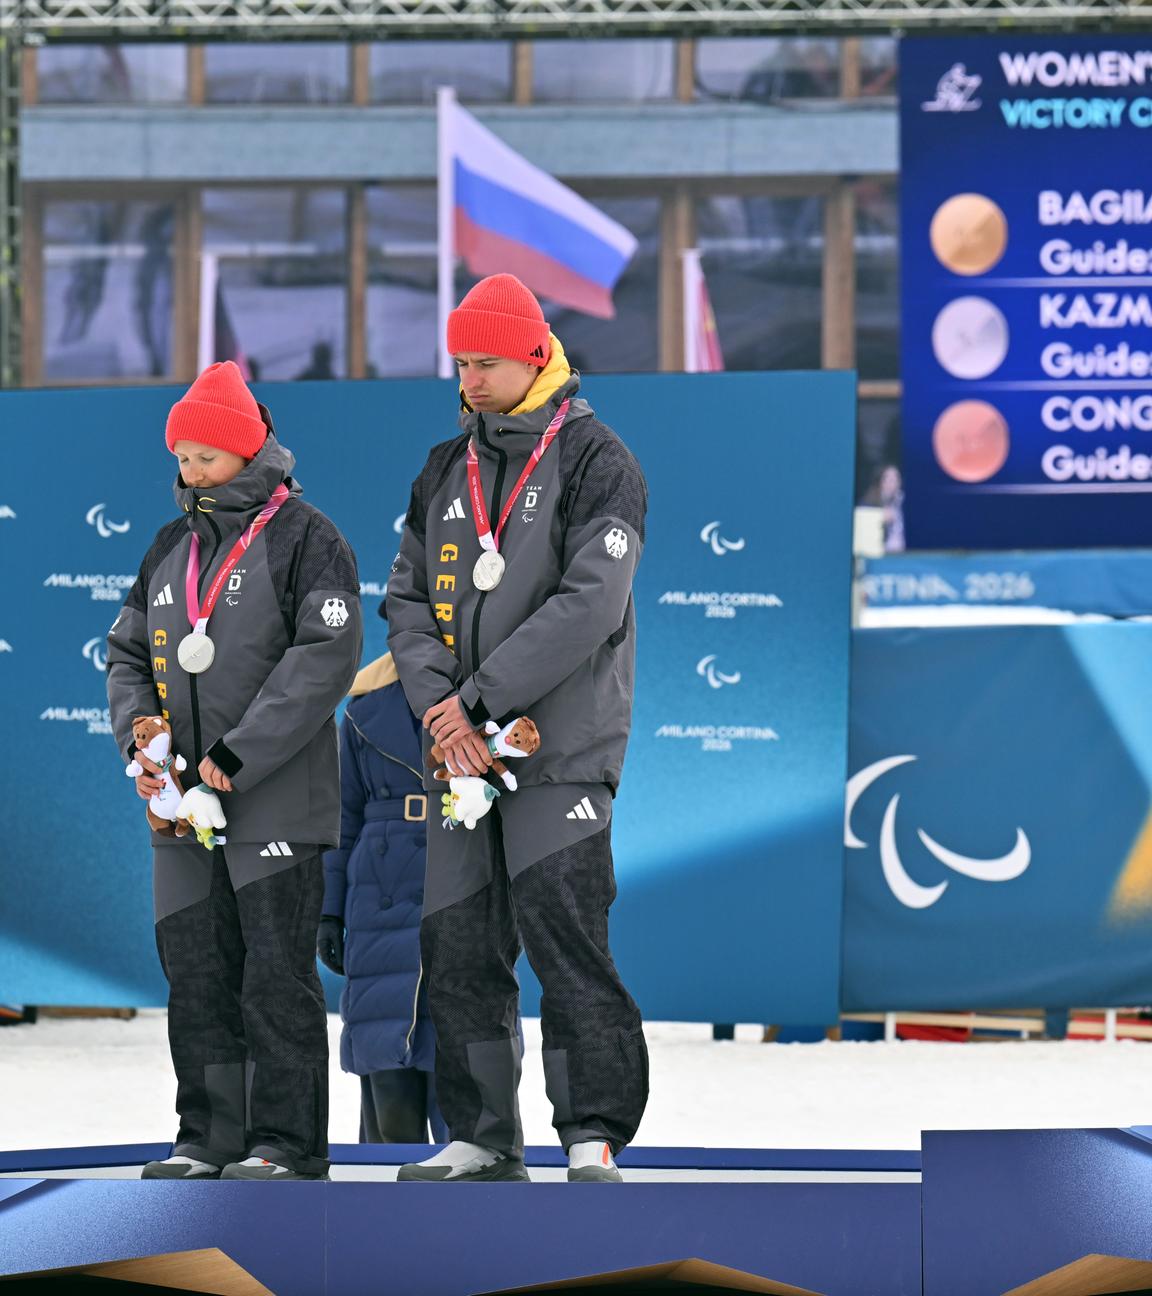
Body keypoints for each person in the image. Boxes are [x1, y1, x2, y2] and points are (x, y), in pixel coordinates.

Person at [386, 273, 649, 1184]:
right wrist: (437, 708)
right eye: (460, 362)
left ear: (536, 357)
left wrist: (481, 700)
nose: (469, 378)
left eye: (485, 362)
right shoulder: (440, 467)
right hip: (459, 756)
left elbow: (590, 603)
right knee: (457, 945)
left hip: (558, 755)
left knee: (567, 941)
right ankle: (482, 1134)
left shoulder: (596, 459)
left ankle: (593, 1133)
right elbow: (407, 600)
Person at [106, 360, 363, 1182]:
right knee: (197, 971)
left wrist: (235, 755)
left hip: (276, 803)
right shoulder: (169, 546)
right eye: (182, 457)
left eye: (206, 457)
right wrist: (142, 739)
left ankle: (285, 1143)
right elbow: (124, 654)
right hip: (182, 808)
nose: (190, 472)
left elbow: (324, 659)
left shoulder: (308, 538)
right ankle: (206, 1135)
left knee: (275, 976)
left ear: (246, 451)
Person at [317, 652, 449, 1145]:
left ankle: (481, 1202)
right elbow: (341, 815)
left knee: (468, 1054)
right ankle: (382, 1199)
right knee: (385, 1047)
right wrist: (328, 911)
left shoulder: (497, 695)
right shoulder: (361, 708)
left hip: (460, 863)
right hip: (379, 887)